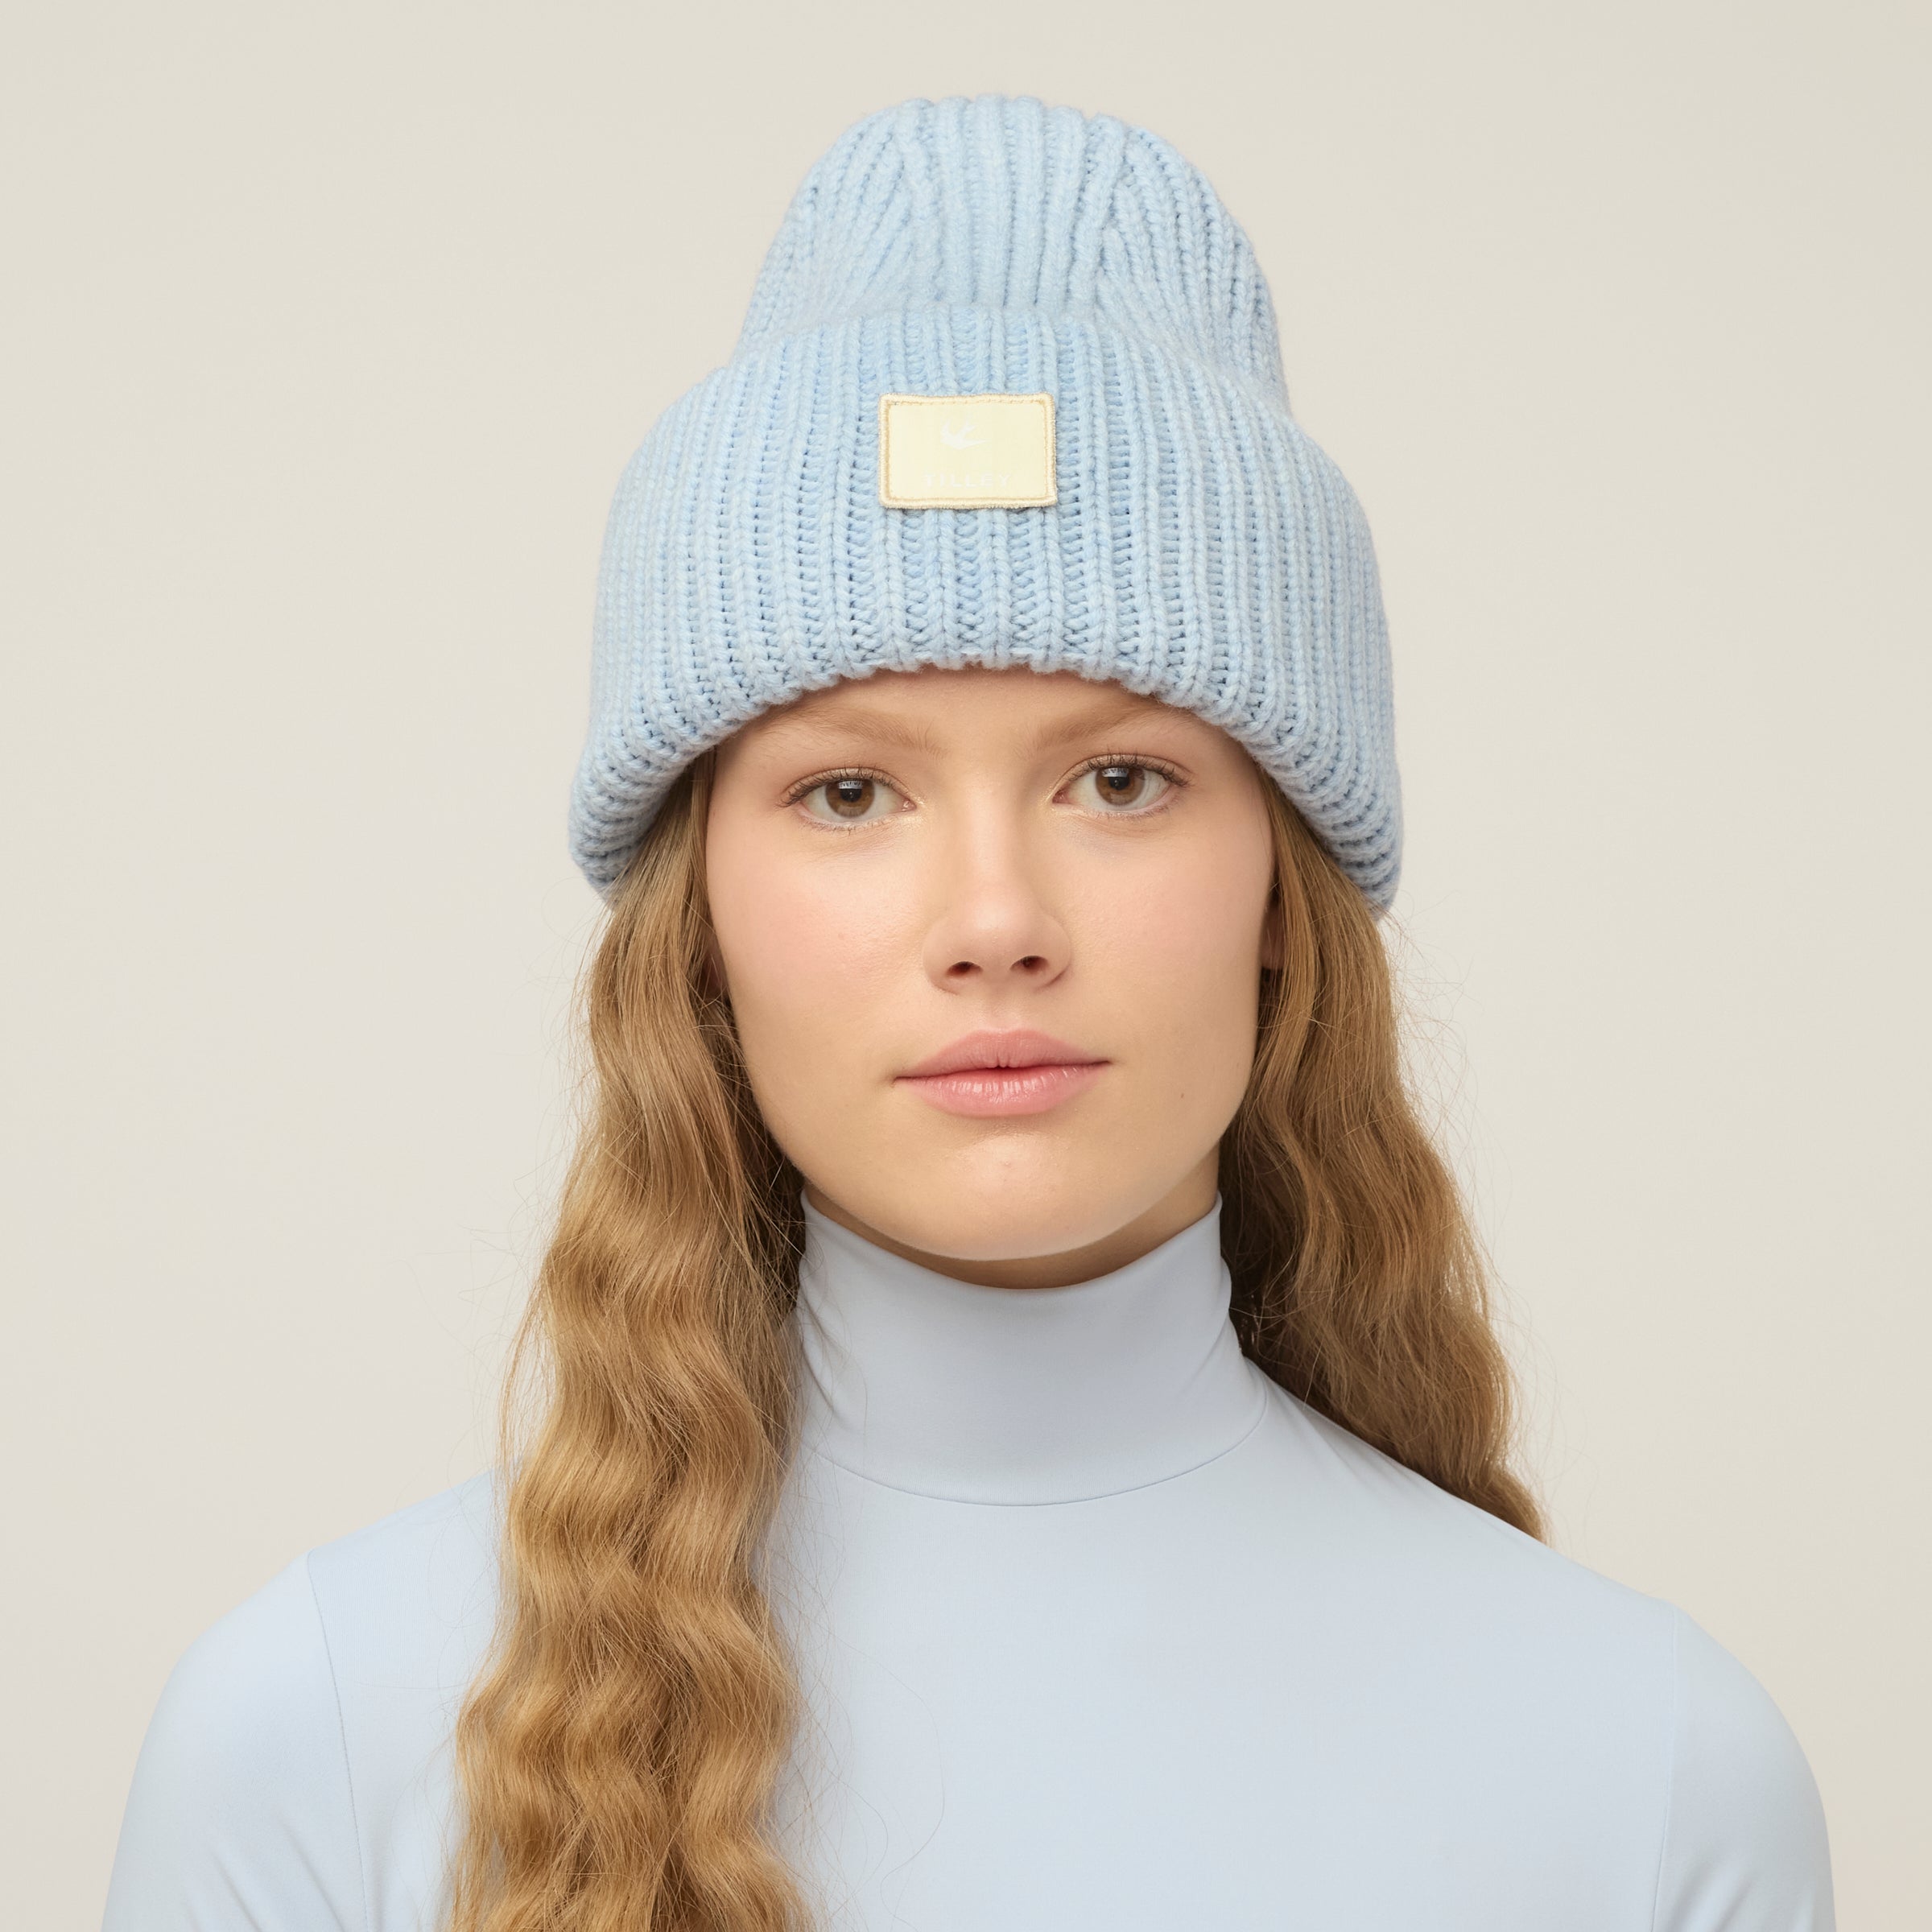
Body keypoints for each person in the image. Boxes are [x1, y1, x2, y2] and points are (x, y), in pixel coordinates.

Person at [102, 93, 1834, 1932]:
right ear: (700, 926)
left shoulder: (1653, 1766)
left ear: (1282, 893)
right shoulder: (316, 1735)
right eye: (850, 793)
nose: (997, 924)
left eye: (1122, 783)